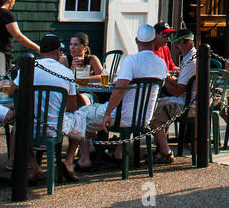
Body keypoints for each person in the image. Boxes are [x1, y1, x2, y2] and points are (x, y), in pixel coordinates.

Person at [71, 24, 168, 172]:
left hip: (122, 118)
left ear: (136, 40)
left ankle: (85, 159)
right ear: (154, 41)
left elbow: (119, 90)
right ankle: (118, 152)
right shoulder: (161, 64)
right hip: (145, 118)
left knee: (80, 113)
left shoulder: (132, 60)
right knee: (94, 113)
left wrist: (108, 112)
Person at [12, 35, 85, 183]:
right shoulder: (67, 73)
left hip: (29, 126)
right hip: (55, 128)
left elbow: (12, 93)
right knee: (80, 117)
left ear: (40, 52)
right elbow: (72, 108)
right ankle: (69, 161)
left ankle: (33, 165)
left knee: (17, 123)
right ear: (58, 51)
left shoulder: (28, 67)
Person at [149, 31, 197, 165]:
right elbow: (181, 82)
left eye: (178, 44)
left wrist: (163, 80)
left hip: (189, 105)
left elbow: (177, 91)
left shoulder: (190, 61)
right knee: (160, 106)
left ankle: (165, 152)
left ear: (187, 42)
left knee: (150, 112)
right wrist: (165, 76)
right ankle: (161, 148)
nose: (175, 48)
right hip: (193, 101)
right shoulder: (191, 56)